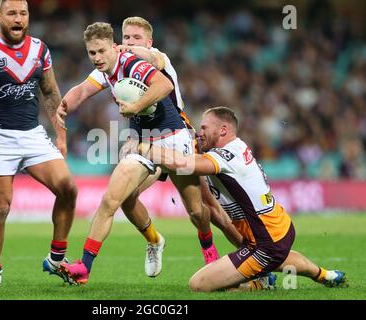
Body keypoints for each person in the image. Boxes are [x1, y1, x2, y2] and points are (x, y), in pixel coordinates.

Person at [55, 22, 217, 285]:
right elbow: (83, 89)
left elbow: (163, 85)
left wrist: (136, 106)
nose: (96, 58)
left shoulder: (131, 63)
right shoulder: (105, 69)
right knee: (114, 199)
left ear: (113, 47)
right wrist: (63, 107)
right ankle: (88, 265)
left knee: (197, 211)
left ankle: (209, 252)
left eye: (100, 52)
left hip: (175, 140)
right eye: (91, 53)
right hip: (142, 144)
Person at [136, 106, 348, 291]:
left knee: (199, 284)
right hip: (279, 229)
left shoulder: (227, 156)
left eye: (204, 128)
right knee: (279, 258)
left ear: (223, 130)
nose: (199, 133)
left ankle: (260, 283)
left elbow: (184, 164)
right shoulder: (235, 147)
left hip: (265, 243)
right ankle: (325, 275)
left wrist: (146, 147)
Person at [0, 0, 77, 290]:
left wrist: (61, 135)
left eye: (23, 13)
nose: (18, 18)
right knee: (1, 206)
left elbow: (51, 93)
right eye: (11, 13)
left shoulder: (40, 49)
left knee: (68, 188)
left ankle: (57, 258)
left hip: (32, 134)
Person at [115, 16, 242, 276]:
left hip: (177, 142)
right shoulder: (120, 68)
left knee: (205, 213)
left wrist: (128, 50)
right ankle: (153, 240)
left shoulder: (158, 57)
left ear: (149, 42)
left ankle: (250, 260)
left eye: (136, 38)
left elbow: (154, 60)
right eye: (126, 37)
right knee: (126, 196)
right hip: (146, 147)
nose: (129, 43)